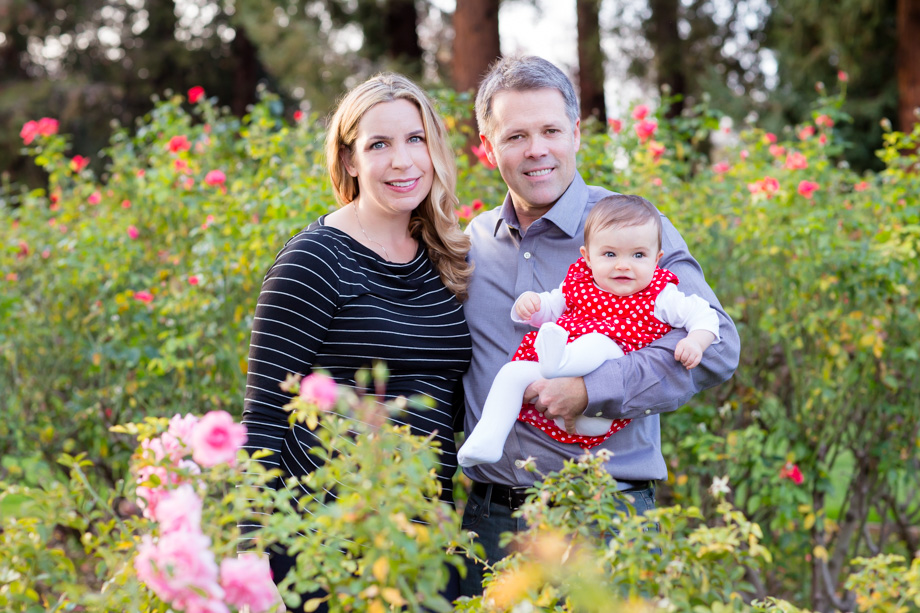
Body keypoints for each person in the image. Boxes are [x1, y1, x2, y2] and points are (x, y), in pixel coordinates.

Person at [458, 56, 740, 595]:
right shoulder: (471, 245)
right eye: (516, 135)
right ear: (488, 146)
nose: (536, 149)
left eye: (550, 130)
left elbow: (719, 345)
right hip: (493, 522)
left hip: (605, 515)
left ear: (576, 133)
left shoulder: (631, 229)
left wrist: (591, 390)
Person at [239, 73, 472, 611]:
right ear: (348, 160)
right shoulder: (315, 260)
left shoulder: (441, 256)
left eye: (416, 140)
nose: (402, 161)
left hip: (424, 537)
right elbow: (265, 416)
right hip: (325, 538)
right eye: (379, 144)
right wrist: (253, 556)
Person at [457, 194, 720, 467]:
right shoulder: (580, 283)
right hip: (554, 378)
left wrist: (696, 342)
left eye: (638, 255)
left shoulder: (660, 294)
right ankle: (487, 438)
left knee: (596, 341)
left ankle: (557, 359)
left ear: (657, 259)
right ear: (588, 257)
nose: (623, 264)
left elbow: (705, 316)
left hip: (600, 392)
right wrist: (532, 306)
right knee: (512, 373)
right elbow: (550, 306)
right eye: (609, 254)